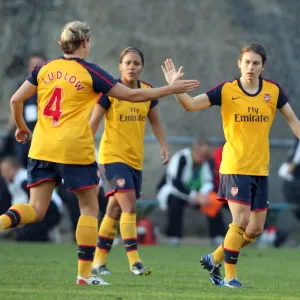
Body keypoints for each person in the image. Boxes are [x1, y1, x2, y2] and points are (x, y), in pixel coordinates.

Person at [0, 20, 199, 286]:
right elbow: (132, 95)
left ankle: (2, 222)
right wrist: (170, 89)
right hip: (74, 149)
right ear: (85, 42)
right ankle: (84, 275)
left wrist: (22, 128)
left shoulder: (43, 69)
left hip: (42, 147)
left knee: (35, 209)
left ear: (63, 44)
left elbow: (16, 100)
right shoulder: (92, 72)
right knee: (90, 207)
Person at [161, 43, 300, 288]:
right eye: (247, 62)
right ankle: (229, 278)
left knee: (255, 230)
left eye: (256, 63)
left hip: (260, 169)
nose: (251, 67)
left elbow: (293, 121)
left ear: (263, 66)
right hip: (235, 167)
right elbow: (190, 104)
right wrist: (174, 87)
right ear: (239, 63)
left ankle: (214, 257)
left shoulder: (273, 91)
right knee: (241, 222)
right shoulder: (226, 90)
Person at [89, 47, 170, 276]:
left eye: (136, 63)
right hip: (112, 157)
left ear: (141, 66)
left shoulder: (147, 91)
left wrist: (163, 144)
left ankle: (97, 263)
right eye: (127, 63)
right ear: (120, 66)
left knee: (114, 210)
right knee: (130, 206)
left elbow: (154, 121)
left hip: (134, 160)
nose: (132, 67)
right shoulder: (110, 91)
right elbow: (93, 122)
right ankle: (135, 262)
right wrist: (85, 149)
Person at [156, 137, 225, 246]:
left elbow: (208, 181)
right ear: (194, 150)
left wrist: (204, 194)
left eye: (205, 155)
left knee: (213, 200)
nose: (203, 158)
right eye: (201, 155)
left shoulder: (205, 162)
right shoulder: (181, 158)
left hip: (197, 194)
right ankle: (174, 237)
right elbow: (175, 183)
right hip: (174, 192)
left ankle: (218, 236)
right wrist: (193, 195)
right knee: (175, 201)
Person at [0, 156, 62, 242]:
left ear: (16, 168)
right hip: (41, 209)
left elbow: (35, 204)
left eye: (7, 169)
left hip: (50, 209)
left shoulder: (23, 180)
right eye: (2, 170)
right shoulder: (12, 181)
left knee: (26, 235)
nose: (4, 173)